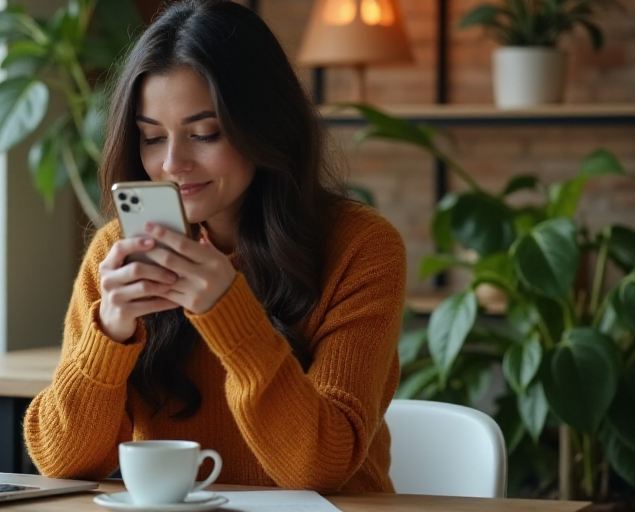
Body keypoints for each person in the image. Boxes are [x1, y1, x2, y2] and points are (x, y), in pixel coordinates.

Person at [23, 0, 405, 494]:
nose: (173, 163)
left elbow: (318, 467)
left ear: (264, 126)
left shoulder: (361, 248)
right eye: (152, 138)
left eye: (204, 133)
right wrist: (110, 334)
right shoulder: (117, 253)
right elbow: (60, 461)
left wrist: (228, 312)